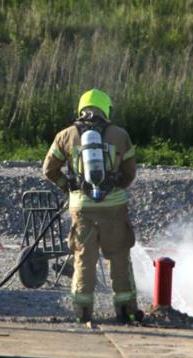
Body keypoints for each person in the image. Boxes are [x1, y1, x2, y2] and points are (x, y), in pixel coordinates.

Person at [42, 88, 141, 324]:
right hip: (114, 208)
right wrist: (115, 188)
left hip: (82, 207)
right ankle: (125, 311)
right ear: (105, 108)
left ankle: (82, 312)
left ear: (81, 108)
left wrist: (69, 186)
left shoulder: (65, 135)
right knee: (119, 258)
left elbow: (48, 170)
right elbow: (130, 173)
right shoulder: (120, 135)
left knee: (83, 259)